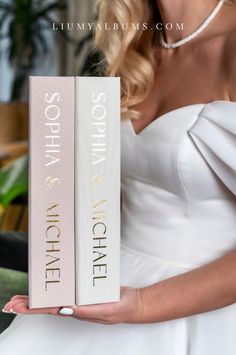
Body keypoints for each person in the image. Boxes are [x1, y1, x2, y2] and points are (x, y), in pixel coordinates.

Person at [1, 0, 236, 354]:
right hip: (101, 291)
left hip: (198, 312)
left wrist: (141, 304)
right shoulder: (133, 43)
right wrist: (61, 268)